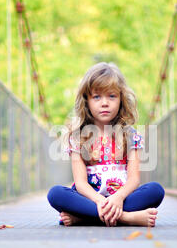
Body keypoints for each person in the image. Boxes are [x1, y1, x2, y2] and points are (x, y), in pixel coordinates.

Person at [47, 62, 165, 227]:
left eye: (111, 96)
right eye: (97, 97)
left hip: (122, 198)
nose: (104, 103)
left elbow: (134, 179)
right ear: (86, 101)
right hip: (90, 199)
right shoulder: (78, 138)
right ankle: (127, 218)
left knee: (155, 190)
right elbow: (80, 183)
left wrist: (118, 197)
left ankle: (83, 218)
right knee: (56, 194)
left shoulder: (130, 136)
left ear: (121, 99)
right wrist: (100, 201)